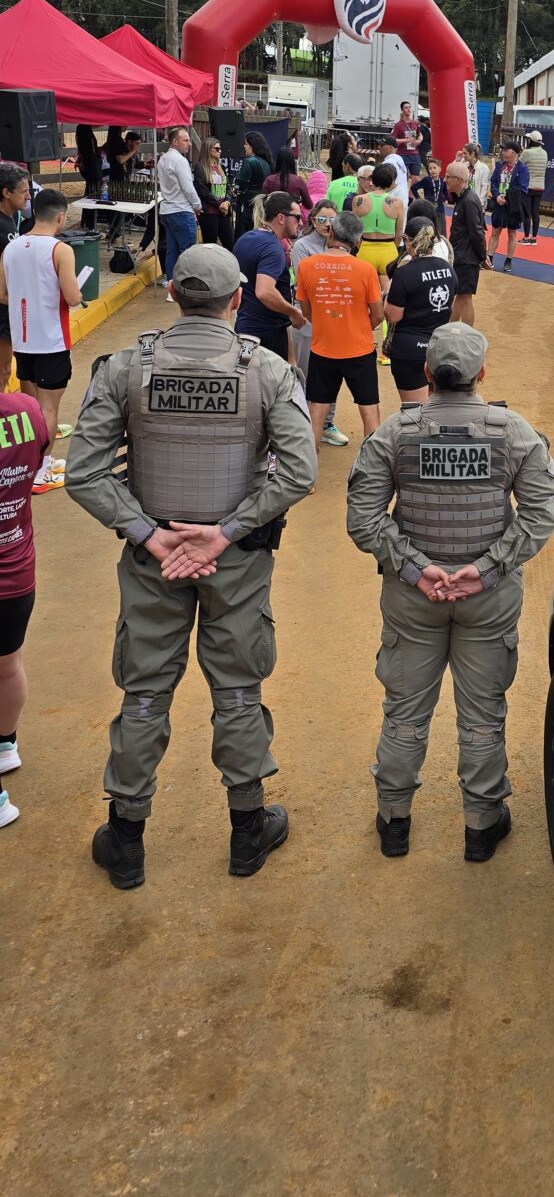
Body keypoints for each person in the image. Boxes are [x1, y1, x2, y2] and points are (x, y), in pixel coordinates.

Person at [65, 244, 317, 889]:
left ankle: (126, 841)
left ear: (173, 294)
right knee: (237, 689)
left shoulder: (126, 368)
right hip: (235, 559)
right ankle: (247, 832)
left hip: (155, 560)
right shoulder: (267, 370)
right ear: (237, 300)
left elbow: (86, 473)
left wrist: (151, 536)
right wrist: (224, 533)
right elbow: (298, 472)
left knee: (145, 691)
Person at [346, 324, 554, 862]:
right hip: (487, 597)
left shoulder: (394, 433)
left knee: (404, 712)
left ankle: (394, 821)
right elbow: (538, 516)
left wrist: (415, 569)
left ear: (426, 372)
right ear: (481, 373)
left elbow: (363, 517)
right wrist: (485, 570)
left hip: (413, 597)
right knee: (483, 715)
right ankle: (481, 826)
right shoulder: (513, 433)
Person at [0, 189, 82, 492]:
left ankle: (31, 463)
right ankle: (41, 470)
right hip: (51, 340)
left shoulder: (11, 248)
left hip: (22, 341)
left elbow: (3, 295)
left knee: (32, 407)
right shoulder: (60, 250)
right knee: (48, 408)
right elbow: (72, 297)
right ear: (60, 217)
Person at [0, 385, 49, 828]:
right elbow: (38, 460)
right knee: (8, 666)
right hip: (16, 571)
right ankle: (5, 743)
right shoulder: (27, 410)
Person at [296, 210, 383, 446]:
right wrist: (358, 327)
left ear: (331, 232)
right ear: (358, 240)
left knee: (317, 409)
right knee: (369, 409)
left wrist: (327, 325)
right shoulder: (365, 270)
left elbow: (306, 310)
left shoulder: (306, 266)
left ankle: (309, 468)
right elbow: (378, 315)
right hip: (360, 350)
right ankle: (374, 465)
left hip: (323, 349)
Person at [290, 199, 349, 447]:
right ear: (313, 220)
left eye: (332, 220)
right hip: (307, 319)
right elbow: (307, 284)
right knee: (305, 374)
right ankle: (303, 425)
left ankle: (326, 424)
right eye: (322, 219)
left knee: (332, 374)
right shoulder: (302, 246)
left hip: (335, 319)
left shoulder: (344, 246)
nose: (327, 224)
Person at [384, 219, 457, 402]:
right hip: (439, 345)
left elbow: (393, 316)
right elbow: (450, 307)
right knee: (436, 408)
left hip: (410, 348)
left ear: (409, 241)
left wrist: (386, 298)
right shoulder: (448, 269)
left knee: (415, 411)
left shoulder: (405, 273)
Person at [234, 190, 305, 361]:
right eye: (297, 217)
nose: (301, 222)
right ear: (281, 218)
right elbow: (264, 292)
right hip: (267, 337)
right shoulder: (272, 248)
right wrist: (293, 312)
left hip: (244, 330)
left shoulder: (245, 239)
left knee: (245, 376)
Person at [0, 162, 31, 390]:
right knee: (3, 371)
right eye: (24, 191)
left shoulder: (10, 219)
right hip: (3, 307)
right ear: (6, 193)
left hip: (8, 306)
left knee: (6, 369)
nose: (28, 197)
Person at [155, 125, 200, 280]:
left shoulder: (163, 160)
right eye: (185, 140)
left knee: (172, 251)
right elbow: (188, 187)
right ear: (175, 142)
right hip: (181, 209)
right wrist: (197, 205)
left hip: (168, 210)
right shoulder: (180, 161)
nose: (189, 143)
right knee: (188, 253)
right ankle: (186, 284)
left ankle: (171, 284)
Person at [446, 159, 487, 326]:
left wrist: (482, 256)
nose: (445, 179)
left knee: (465, 297)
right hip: (460, 255)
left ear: (459, 180)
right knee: (460, 294)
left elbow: (477, 232)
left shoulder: (469, 200)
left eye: (448, 176)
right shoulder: (462, 198)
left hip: (467, 257)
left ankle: (467, 333)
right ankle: (452, 329)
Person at [354, 163, 405, 276]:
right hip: (388, 250)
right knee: (387, 285)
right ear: (391, 182)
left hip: (366, 249)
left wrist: (361, 247)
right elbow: (399, 233)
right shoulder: (397, 202)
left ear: (373, 178)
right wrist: (393, 247)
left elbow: (354, 231)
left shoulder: (358, 200)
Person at [488, 145, 528, 272]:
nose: (503, 153)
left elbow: (523, 188)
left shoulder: (522, 169)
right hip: (499, 203)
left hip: (512, 205)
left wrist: (507, 197)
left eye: (506, 151)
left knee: (512, 233)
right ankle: (489, 258)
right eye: (503, 151)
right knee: (495, 232)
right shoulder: (499, 165)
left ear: (514, 153)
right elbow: (493, 182)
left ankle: (509, 260)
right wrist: (496, 196)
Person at [193, 138, 233, 250]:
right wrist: (218, 204)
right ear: (208, 149)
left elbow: (228, 187)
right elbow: (202, 190)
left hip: (223, 212)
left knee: (230, 244)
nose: (220, 151)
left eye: (220, 148)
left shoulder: (221, 167)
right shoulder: (200, 167)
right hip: (209, 213)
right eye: (217, 148)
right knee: (210, 246)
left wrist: (227, 202)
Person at [233, 131, 272, 237]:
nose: (244, 146)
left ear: (253, 145)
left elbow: (240, 185)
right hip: (262, 202)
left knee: (244, 233)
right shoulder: (267, 163)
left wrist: (236, 188)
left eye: (246, 144)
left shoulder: (249, 162)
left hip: (248, 202)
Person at [267, 148, 313, 222]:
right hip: (292, 219)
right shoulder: (299, 181)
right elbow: (309, 205)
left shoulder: (269, 180)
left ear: (277, 161)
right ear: (292, 162)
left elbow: (263, 202)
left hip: (273, 220)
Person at [520, 131, 548, 242]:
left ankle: (526, 237)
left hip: (528, 185)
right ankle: (534, 237)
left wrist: (522, 152)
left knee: (527, 212)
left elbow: (519, 164)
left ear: (531, 140)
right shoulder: (544, 153)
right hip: (540, 186)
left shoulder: (527, 152)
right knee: (535, 212)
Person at [411, 155, 448, 232]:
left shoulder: (442, 180)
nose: (432, 170)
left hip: (440, 208)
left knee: (441, 230)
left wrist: (446, 200)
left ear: (440, 169)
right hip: (428, 208)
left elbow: (445, 191)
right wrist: (419, 199)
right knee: (430, 229)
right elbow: (413, 187)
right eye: (430, 168)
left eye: (434, 168)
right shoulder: (426, 180)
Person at [391, 100, 422, 177]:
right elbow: (392, 139)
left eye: (409, 107)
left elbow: (420, 135)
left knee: (416, 178)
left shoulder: (415, 123)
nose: (408, 109)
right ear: (402, 110)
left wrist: (419, 141)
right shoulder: (398, 125)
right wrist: (406, 140)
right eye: (406, 108)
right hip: (402, 154)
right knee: (403, 177)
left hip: (414, 154)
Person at [462, 144, 491, 210]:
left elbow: (484, 187)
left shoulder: (483, 168)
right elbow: (453, 173)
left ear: (472, 153)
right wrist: (457, 160)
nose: (463, 155)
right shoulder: (464, 165)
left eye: (465, 153)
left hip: (477, 204)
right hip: (464, 203)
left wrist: (479, 203)